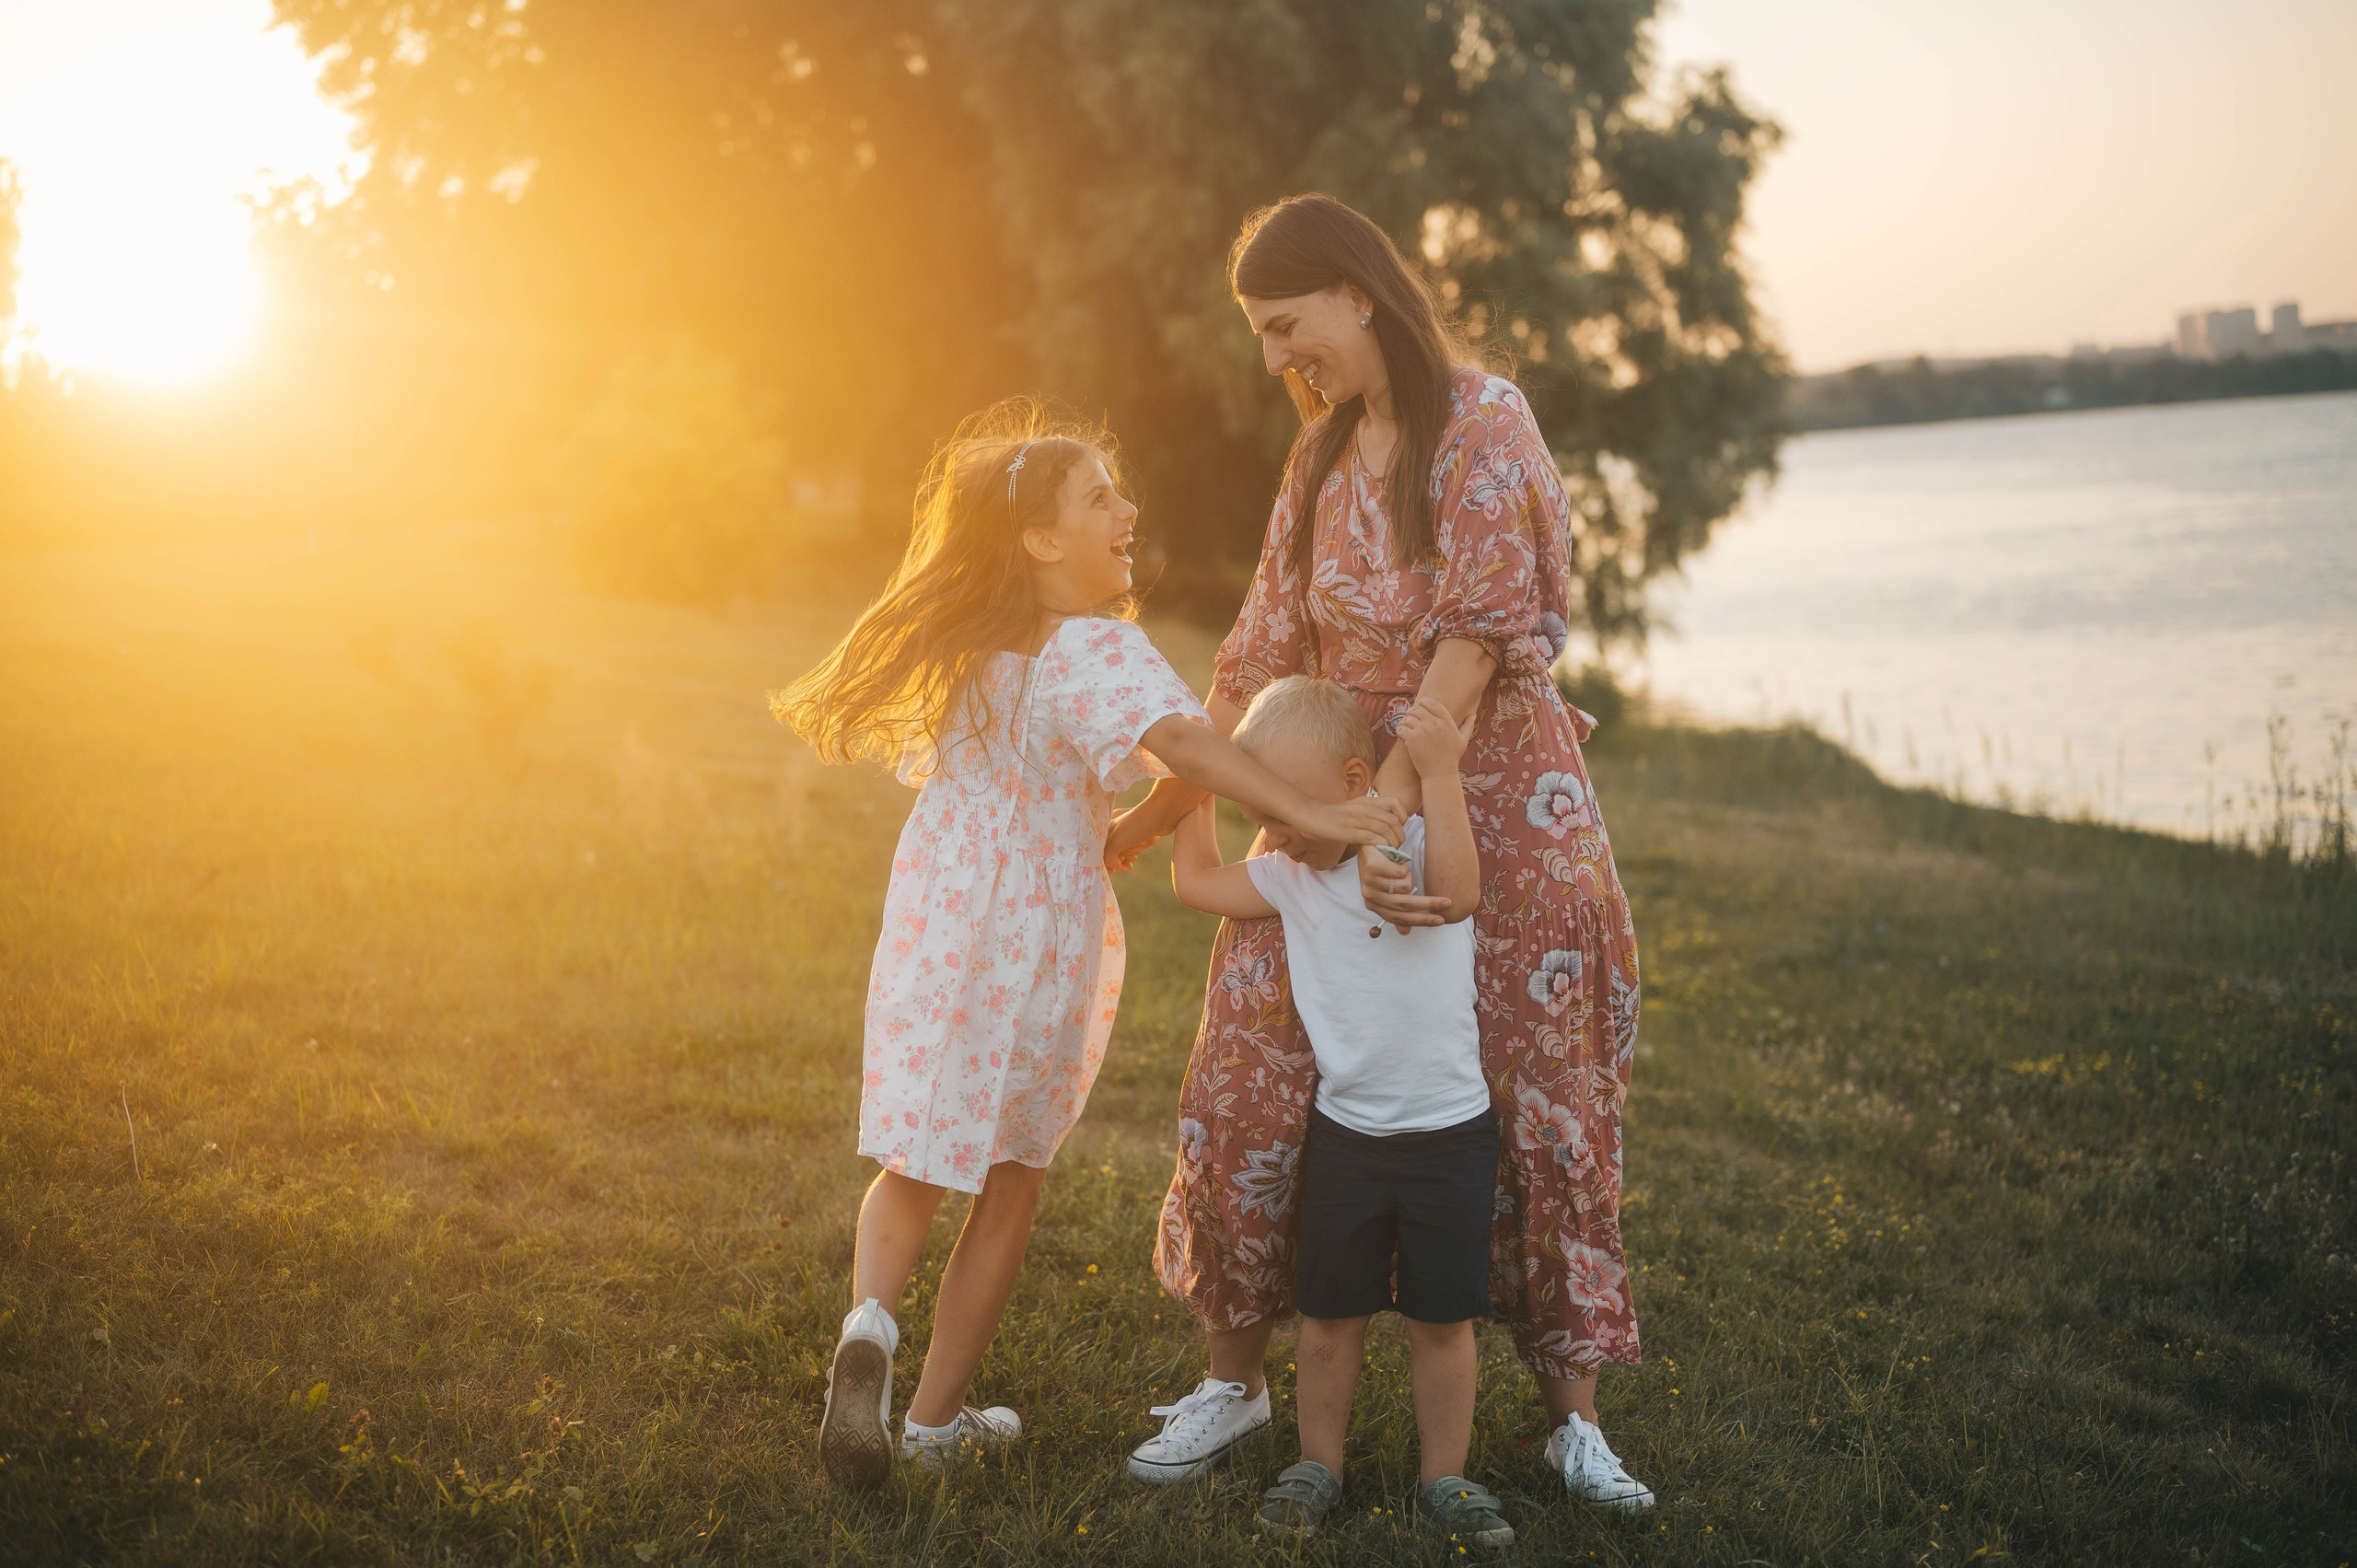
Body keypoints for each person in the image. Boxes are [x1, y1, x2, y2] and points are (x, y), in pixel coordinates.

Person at [1110, 193, 1655, 1511]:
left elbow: (1473, 644)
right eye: (1258, 332)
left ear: (1360, 293)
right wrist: (1151, 812)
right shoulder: (1318, 459)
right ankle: (1235, 1379)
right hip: (1336, 795)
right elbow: (1256, 650)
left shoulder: (1486, 422)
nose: (1272, 354)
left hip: (1490, 790)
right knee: (1244, 1066)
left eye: (1285, 323)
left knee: (1535, 1097)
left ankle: (1573, 1411)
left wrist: (1399, 814)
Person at [774, 401, 1399, 1491]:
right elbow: (1189, 748)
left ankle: (869, 1319)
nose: (1129, 509)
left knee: (916, 1156)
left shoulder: (969, 642)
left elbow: (1123, 775)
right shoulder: (1096, 648)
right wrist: (1330, 817)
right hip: (1037, 929)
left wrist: (1130, 826)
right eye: (1098, 495)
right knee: (1011, 1176)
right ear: (1038, 538)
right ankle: (930, 1420)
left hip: (939, 910)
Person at [1161, 676, 1513, 1547]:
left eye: (1285, 809)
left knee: (1442, 1321)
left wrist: (1437, 770)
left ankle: (1447, 1479)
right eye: (1262, 809)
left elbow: (1460, 894)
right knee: (1329, 1316)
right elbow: (1199, 880)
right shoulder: (1290, 875)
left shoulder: (1421, 841)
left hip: (1449, 1134)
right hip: (1348, 1135)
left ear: (1359, 784)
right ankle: (1319, 1462)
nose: (1273, 829)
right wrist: (1194, 781)